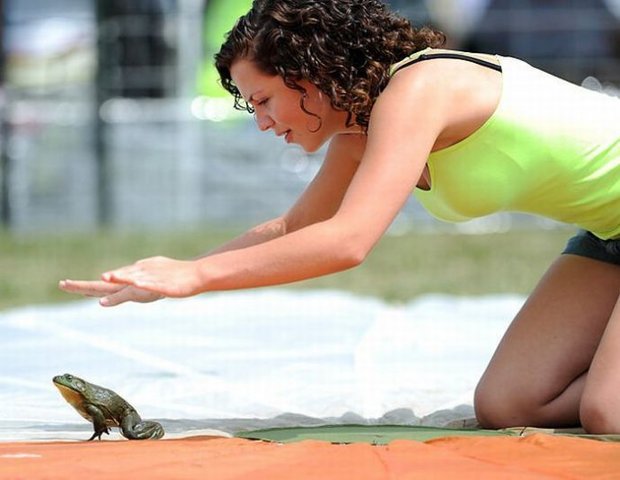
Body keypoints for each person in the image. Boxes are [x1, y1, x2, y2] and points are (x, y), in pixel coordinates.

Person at [59, 0, 620, 433]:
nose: (260, 122)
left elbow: (348, 242)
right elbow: (297, 228)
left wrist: (198, 277)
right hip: (610, 232)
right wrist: (176, 273)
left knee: (607, 411)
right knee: (510, 404)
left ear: (310, 73)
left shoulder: (421, 89)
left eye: (263, 100)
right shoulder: (362, 124)